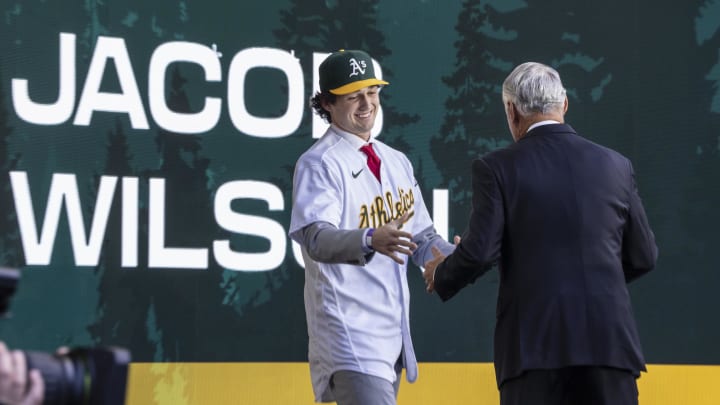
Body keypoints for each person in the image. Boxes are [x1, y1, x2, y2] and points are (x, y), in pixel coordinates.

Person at [423, 62, 658, 405]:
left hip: (534, 351)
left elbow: (480, 252)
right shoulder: (616, 165)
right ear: (564, 105)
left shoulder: (496, 167)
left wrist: (442, 271)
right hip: (609, 348)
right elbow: (643, 256)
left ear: (511, 111)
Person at [289, 49, 455, 405]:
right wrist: (369, 238)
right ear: (328, 104)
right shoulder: (319, 163)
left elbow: (422, 238)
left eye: (372, 92)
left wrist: (458, 256)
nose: (366, 103)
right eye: (353, 96)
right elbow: (315, 240)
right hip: (348, 331)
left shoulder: (396, 161)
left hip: (391, 334)